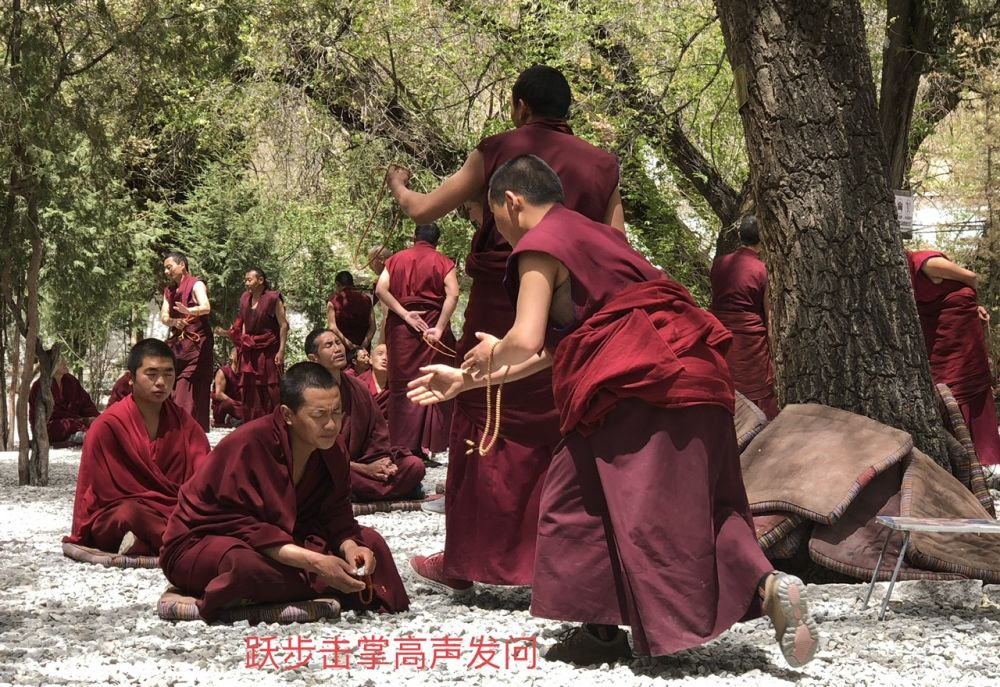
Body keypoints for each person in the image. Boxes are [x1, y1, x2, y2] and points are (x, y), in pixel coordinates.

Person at [409, 156, 818, 667]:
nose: (500, 235)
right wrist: (466, 381)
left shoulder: (539, 244)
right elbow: (557, 348)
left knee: (577, 499)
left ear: (511, 202)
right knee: (697, 501)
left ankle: (604, 632)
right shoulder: (601, 238)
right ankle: (765, 583)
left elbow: (525, 339)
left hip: (639, 382)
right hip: (697, 372)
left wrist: (488, 355)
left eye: (494, 219)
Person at [386, 64, 623, 592]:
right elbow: (615, 246)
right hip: (568, 311)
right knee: (562, 419)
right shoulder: (602, 165)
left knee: (482, 414)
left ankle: (464, 562)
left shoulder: (499, 150)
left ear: (519, 106)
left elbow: (422, 208)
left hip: (500, 302)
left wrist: (399, 184)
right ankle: (556, 561)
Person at [161, 362, 409, 620]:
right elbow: (240, 526)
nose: (331, 425)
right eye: (319, 415)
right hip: (206, 541)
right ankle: (322, 583)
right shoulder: (248, 444)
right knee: (243, 567)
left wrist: (351, 548)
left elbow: (337, 514)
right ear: (288, 415)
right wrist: (315, 562)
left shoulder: (333, 448)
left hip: (290, 538)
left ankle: (309, 584)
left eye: (336, 412)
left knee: (372, 543)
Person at [64, 339, 210, 556]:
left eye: (168, 374)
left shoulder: (184, 424)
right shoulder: (108, 426)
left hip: (176, 509)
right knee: (130, 514)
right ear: (131, 378)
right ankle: (187, 543)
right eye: (151, 374)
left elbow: (206, 476)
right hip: (121, 513)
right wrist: (154, 504)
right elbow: (102, 491)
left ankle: (145, 543)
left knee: (211, 511)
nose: (161, 382)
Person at [305, 329, 425, 502]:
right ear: (313, 358)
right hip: (334, 465)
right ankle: (384, 490)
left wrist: (383, 461)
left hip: (364, 462)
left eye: (338, 343)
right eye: (328, 345)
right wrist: (365, 469)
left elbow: (377, 432)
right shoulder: (308, 391)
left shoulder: (358, 387)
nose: (337, 349)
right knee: (326, 472)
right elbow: (312, 449)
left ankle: (354, 492)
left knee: (414, 466)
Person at [907, 250, 1000, 469]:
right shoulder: (899, 275)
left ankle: (983, 456)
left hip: (962, 330)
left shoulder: (925, 263)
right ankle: (957, 455)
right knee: (946, 386)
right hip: (938, 334)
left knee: (968, 381)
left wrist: (971, 303)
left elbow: (971, 277)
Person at [375, 224, 459, 455]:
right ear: (437, 242)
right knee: (431, 379)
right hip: (431, 326)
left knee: (402, 384)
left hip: (401, 329)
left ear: (414, 237)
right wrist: (439, 328)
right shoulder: (444, 262)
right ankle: (427, 444)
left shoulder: (395, 259)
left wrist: (404, 314)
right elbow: (453, 294)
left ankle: (402, 446)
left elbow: (381, 290)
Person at [710, 215, 778, 419]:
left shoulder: (719, 263)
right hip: (750, 341)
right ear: (763, 237)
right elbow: (769, 314)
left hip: (721, 336)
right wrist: (773, 351)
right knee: (758, 395)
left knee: (726, 386)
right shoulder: (761, 270)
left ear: (740, 235)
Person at [214, 268, 288, 420]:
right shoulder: (245, 298)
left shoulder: (273, 298)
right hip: (249, 349)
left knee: (271, 386)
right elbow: (242, 324)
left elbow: (284, 325)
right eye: (245, 280)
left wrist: (281, 350)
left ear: (260, 280)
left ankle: (275, 420)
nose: (246, 283)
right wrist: (236, 339)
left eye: (249, 280)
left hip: (269, 349)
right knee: (250, 388)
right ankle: (252, 422)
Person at [160, 252, 214, 431]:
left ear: (182, 265)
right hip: (178, 346)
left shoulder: (196, 284)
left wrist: (189, 311)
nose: (166, 272)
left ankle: (189, 433)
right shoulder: (169, 291)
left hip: (197, 345)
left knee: (188, 390)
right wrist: (174, 322)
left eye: (169, 267)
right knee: (172, 389)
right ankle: (176, 432)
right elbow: (164, 316)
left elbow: (206, 307)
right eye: (165, 269)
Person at [29, 357, 100, 444]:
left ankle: (78, 435)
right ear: (50, 366)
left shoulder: (71, 381)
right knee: (62, 426)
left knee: (97, 422)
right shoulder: (39, 387)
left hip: (76, 423)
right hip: (52, 428)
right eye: (60, 361)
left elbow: (86, 404)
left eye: (64, 359)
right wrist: (83, 421)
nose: (65, 362)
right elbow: (39, 420)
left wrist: (96, 418)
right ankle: (76, 436)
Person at [326, 271, 375, 351]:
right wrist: (364, 345)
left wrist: (349, 344)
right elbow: (373, 327)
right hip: (363, 350)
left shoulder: (333, 301)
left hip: (343, 349)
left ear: (338, 284)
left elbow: (333, 327)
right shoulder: (366, 299)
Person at [211, 348, 244, 428]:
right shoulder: (223, 371)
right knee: (228, 403)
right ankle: (222, 421)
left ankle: (236, 419)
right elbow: (219, 394)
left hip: (238, 405)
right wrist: (235, 403)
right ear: (231, 356)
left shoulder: (244, 373)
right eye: (238, 354)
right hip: (224, 406)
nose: (240, 357)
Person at [358, 343, 390, 421]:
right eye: (380, 354)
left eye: (389, 355)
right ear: (371, 359)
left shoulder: (397, 385)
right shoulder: (359, 383)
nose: (385, 358)